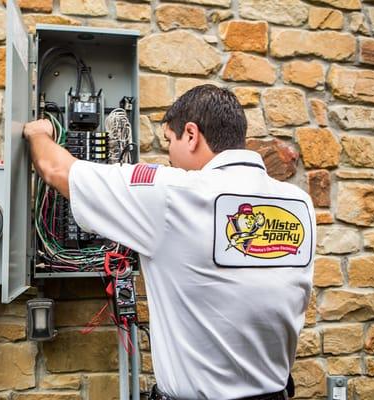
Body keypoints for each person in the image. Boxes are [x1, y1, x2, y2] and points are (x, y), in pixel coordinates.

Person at [23, 85, 315, 400]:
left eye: (168, 140)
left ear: (191, 135)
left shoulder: (172, 193)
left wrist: (39, 132)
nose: (168, 154)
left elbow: (56, 169)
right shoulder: (298, 202)